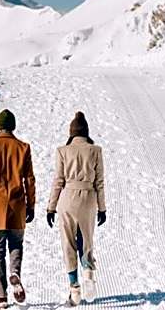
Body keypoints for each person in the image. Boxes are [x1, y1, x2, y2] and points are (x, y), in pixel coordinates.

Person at [46, 111, 107, 307]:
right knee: (86, 240)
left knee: (68, 244)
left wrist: (51, 207)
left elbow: (58, 181)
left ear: (72, 132)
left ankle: (75, 290)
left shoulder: (63, 151)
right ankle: (88, 273)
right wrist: (102, 208)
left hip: (68, 199)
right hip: (89, 198)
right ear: (86, 132)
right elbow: (100, 182)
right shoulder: (95, 150)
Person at [0, 109, 36, 309]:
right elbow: (29, 179)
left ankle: (2, 298)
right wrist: (31, 205)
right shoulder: (23, 148)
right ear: (13, 126)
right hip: (17, 206)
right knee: (16, 245)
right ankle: (15, 273)